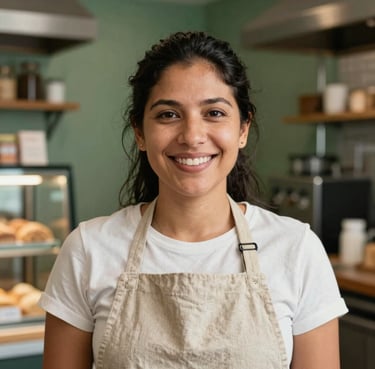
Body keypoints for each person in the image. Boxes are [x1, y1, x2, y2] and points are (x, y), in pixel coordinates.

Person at [39, 31, 348, 369]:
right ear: (140, 133)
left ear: (243, 129)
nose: (192, 136)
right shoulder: (89, 249)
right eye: (168, 115)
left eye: (214, 113)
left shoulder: (297, 249)